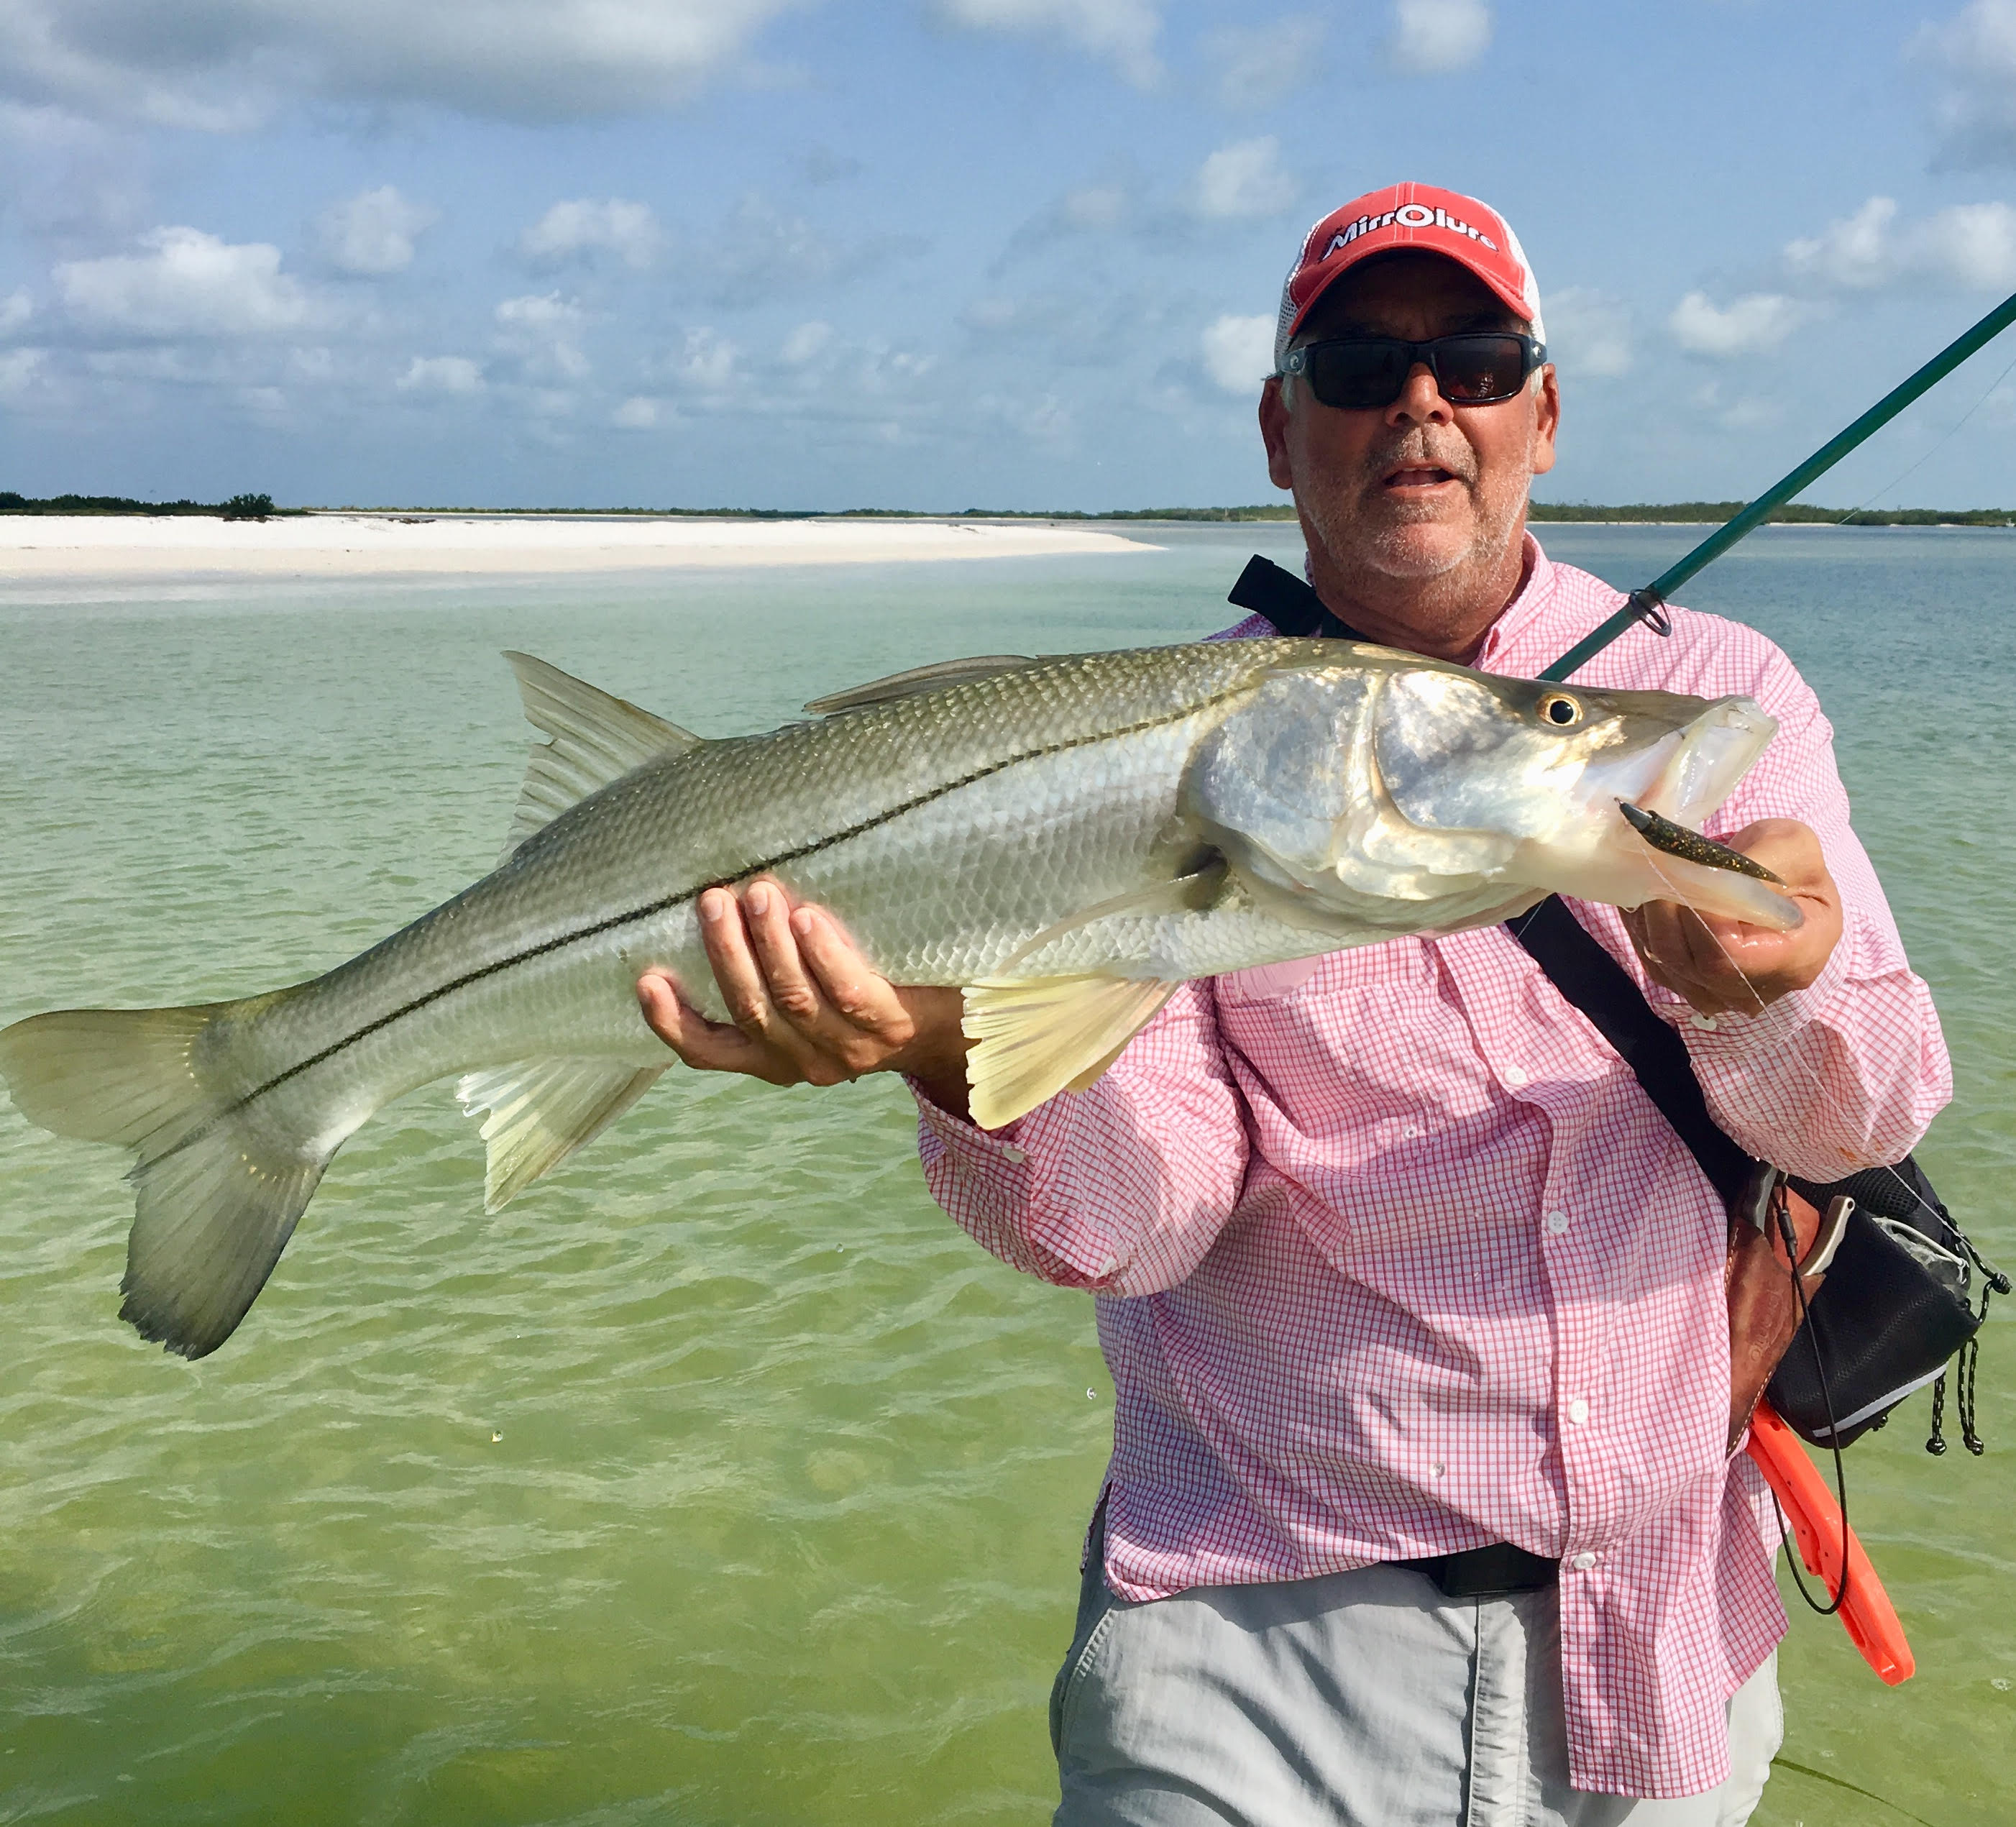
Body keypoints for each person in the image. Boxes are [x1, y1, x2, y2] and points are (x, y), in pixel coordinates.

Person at [635, 183, 1951, 1825]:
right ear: (1279, 426)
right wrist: (935, 1039)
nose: (1419, 399)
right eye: (1355, 364)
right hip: (1248, 1661)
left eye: (1473, 357)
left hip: (1661, 1645)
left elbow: (1865, 1117)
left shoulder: (1721, 694)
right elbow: (1143, 1218)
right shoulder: (1159, 746)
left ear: (1541, 413)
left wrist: (1779, 985)